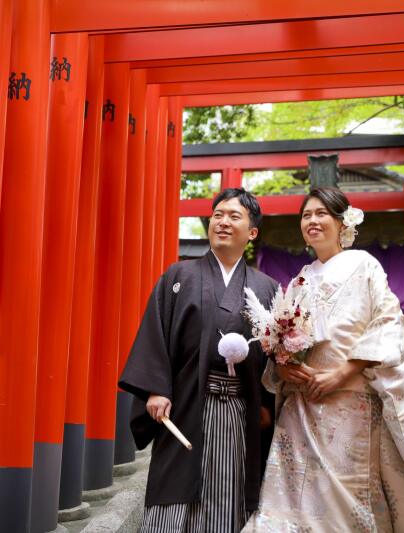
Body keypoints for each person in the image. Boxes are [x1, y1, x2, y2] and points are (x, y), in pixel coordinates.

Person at [244, 187, 404, 532]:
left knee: (347, 494)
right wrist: (284, 364)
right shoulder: (300, 279)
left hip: (349, 400)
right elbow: (282, 339)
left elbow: (388, 321)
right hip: (302, 406)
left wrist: (343, 372)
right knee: (289, 496)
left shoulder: (365, 265)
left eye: (321, 214)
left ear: (342, 222)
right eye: (306, 215)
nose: (312, 221)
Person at [119, 188, 278, 533]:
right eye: (217, 215)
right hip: (186, 402)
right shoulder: (178, 277)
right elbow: (154, 334)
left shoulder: (267, 288)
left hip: (239, 407)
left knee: (229, 486)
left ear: (252, 232)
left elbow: (276, 355)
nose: (222, 222)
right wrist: (155, 389)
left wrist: (268, 401)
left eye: (234, 216)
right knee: (175, 488)